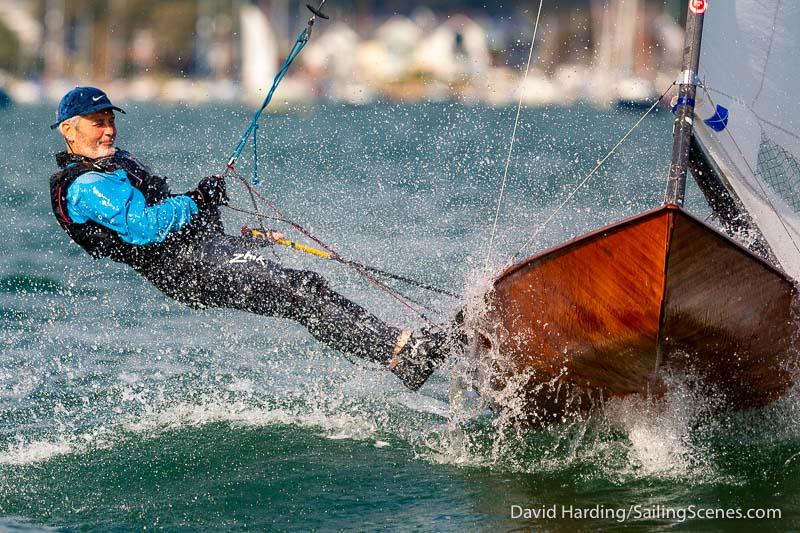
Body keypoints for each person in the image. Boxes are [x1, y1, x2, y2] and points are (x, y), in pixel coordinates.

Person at [49, 86, 457, 390]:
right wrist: (196, 200)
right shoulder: (85, 185)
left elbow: (166, 214)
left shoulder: (111, 163)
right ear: (69, 129)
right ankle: (405, 354)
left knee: (303, 292)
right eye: (97, 123)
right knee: (302, 290)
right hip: (188, 269)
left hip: (199, 254)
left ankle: (401, 355)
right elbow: (145, 228)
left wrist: (212, 217)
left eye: (111, 120)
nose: (108, 131)